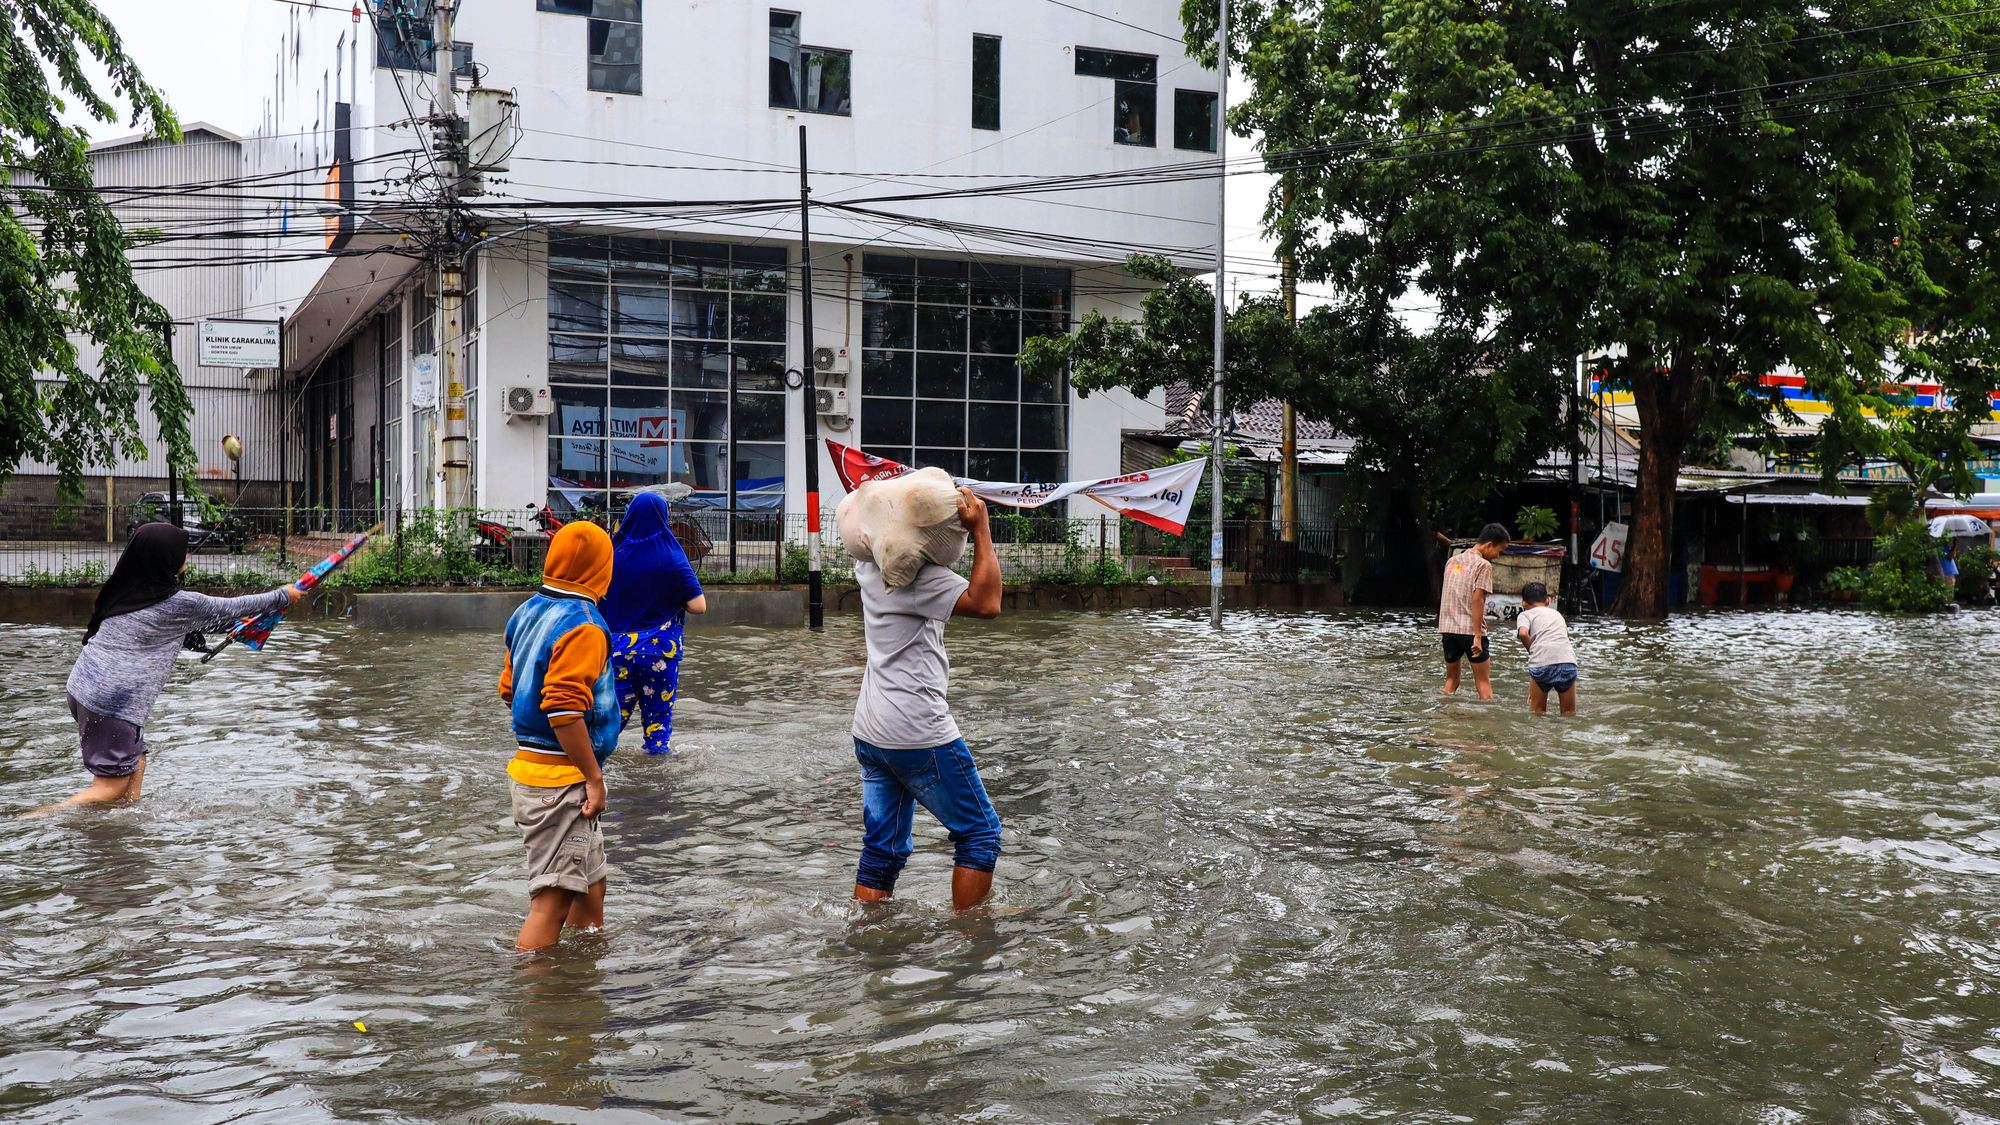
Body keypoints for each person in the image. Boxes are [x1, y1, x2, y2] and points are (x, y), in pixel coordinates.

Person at [44, 522, 301, 810]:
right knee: (108, 787)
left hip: (83, 690)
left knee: (136, 759)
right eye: (183, 552)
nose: (186, 557)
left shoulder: (128, 590)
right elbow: (233, 608)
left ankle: (123, 826)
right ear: (166, 558)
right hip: (111, 703)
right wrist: (284, 596)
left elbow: (214, 621)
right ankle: (39, 819)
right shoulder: (180, 604)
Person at [851, 487, 1004, 911]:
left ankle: (868, 931)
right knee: (980, 833)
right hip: (917, 732)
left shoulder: (868, 564)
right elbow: (988, 603)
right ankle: (970, 933)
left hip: (870, 729)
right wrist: (983, 530)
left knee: (883, 848)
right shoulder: (919, 578)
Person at [499, 521, 621, 952]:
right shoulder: (584, 625)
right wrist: (593, 777)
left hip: (536, 771)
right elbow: (564, 709)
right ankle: (538, 1000)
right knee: (551, 902)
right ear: (603, 570)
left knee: (591, 887)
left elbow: (509, 689)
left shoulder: (527, 610)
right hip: (563, 782)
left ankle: (580, 976)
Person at [602, 492, 708, 756]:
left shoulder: (612, 555)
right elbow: (699, 606)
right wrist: (672, 601)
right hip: (659, 652)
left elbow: (597, 601)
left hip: (618, 651)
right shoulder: (672, 557)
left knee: (611, 723)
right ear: (664, 518)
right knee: (657, 726)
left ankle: (590, 773)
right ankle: (654, 789)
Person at [1439, 523, 1509, 699]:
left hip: (1448, 629)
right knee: (1483, 684)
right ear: (1489, 545)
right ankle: (1485, 724)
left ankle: (1443, 719)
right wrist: (1477, 636)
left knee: (1451, 681)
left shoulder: (1452, 561)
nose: (1497, 556)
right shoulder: (1483, 565)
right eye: (1499, 551)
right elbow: (1478, 600)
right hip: (1470, 632)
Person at [1514, 582, 1578, 715]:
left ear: (1524, 603)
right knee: (1569, 713)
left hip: (1542, 662)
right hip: (1567, 661)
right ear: (1547, 600)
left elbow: (1523, 633)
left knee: (1538, 712)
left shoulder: (1525, 615)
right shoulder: (1557, 614)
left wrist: (1532, 650)